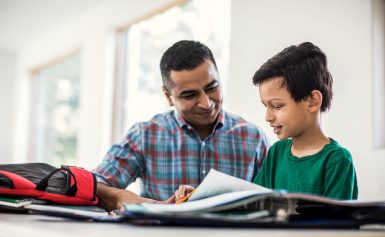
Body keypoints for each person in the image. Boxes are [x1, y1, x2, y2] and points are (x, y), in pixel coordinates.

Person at [94, 40, 269, 211]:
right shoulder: (145, 135)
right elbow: (94, 183)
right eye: (190, 95)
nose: (206, 103)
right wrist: (120, 197)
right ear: (168, 96)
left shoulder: (253, 138)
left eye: (212, 88)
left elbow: (273, 202)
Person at [252, 42, 358, 200]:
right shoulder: (276, 153)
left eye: (277, 106)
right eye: (266, 106)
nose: (268, 117)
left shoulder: (337, 160)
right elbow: (256, 205)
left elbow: (338, 223)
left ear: (312, 101)